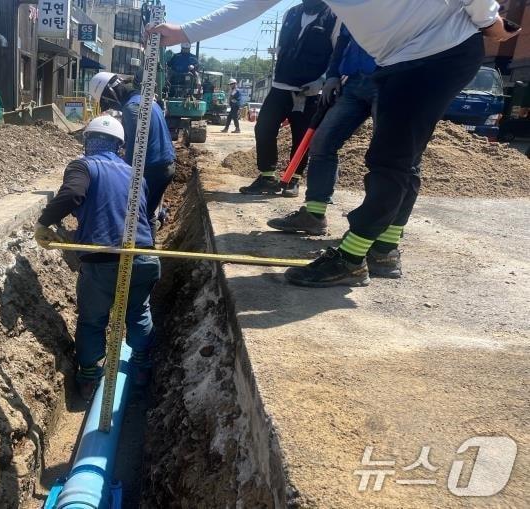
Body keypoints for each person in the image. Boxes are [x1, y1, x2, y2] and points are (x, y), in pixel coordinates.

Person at [149, 0, 516, 287]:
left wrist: (489, 21)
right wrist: (184, 32)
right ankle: (385, 250)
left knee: (392, 159)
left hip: (441, 51)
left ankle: (352, 260)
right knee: (400, 156)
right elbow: (250, 5)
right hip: (394, 59)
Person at [34, 115, 161, 399]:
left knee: (93, 319)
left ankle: (90, 376)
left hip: (102, 261)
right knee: (138, 310)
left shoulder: (83, 166)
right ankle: (141, 365)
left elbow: (72, 195)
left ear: (87, 140)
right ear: (120, 146)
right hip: (144, 256)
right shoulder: (134, 172)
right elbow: (147, 215)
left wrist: (44, 222)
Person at [266, 26, 401, 277]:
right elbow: (343, 40)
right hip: (354, 80)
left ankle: (385, 246)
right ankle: (314, 215)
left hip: (392, 79)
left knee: (392, 157)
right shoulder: (353, 8)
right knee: (322, 143)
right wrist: (333, 74)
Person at [237, 0, 340, 198]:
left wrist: (323, 80)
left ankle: (294, 180)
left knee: (301, 137)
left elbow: (337, 54)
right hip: (280, 86)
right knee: (264, 128)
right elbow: (283, 47)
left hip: (310, 91)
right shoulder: (291, 14)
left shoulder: (334, 17)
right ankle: (268, 176)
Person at [89, 71, 176, 239]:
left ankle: (139, 255)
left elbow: (137, 151)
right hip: (164, 165)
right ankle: (144, 252)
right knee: (146, 213)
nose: (112, 108)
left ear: (111, 93)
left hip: (152, 169)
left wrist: (120, 175)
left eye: (108, 103)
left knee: (136, 215)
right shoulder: (145, 100)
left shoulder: (132, 108)